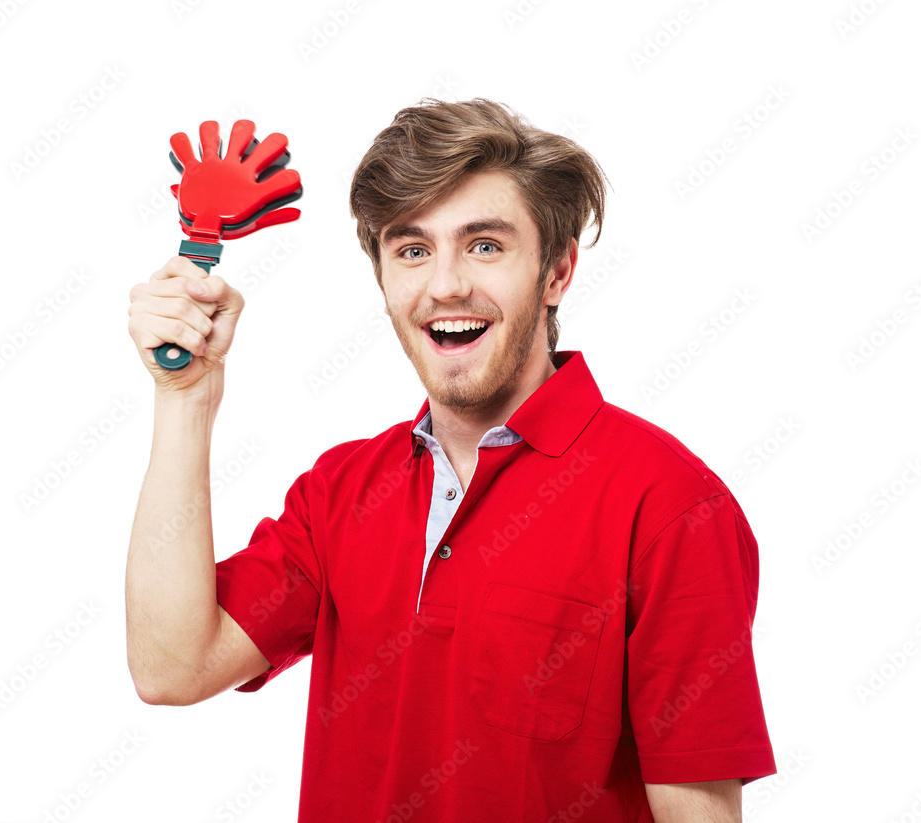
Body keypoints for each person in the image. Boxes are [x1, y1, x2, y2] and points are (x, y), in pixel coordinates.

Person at [126, 98, 777, 822]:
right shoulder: (339, 492)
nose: (445, 286)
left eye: (485, 245)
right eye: (411, 249)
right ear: (383, 280)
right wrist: (185, 398)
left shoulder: (670, 504)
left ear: (557, 271)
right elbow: (172, 665)